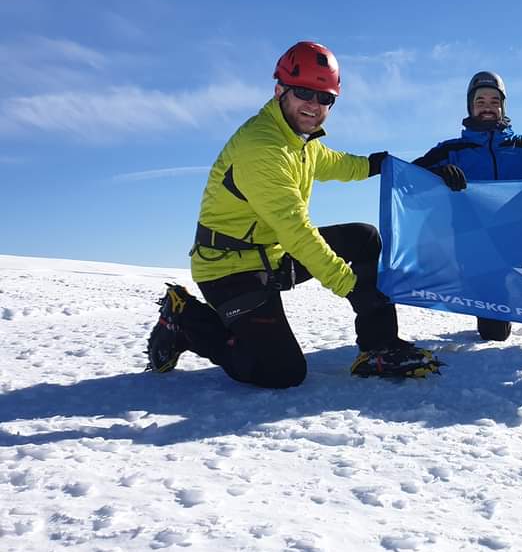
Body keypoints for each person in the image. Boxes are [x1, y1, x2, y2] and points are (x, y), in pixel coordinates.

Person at [145, 41, 442, 387]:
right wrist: (351, 288)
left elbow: (337, 163)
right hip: (230, 268)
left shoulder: (300, 140)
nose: (314, 105)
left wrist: (386, 166)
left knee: (363, 237)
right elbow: (296, 231)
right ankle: (188, 322)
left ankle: (379, 348)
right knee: (281, 372)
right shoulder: (263, 148)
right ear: (280, 90)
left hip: (269, 255)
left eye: (325, 97)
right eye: (304, 92)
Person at [412, 71, 522, 341]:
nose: (487, 106)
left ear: (502, 106)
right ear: (470, 106)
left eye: (494, 100)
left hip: (520, 238)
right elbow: (411, 177)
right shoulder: (451, 150)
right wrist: (440, 173)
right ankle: (499, 321)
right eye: (480, 101)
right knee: (493, 334)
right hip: (477, 248)